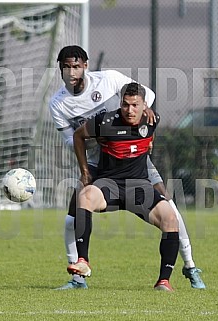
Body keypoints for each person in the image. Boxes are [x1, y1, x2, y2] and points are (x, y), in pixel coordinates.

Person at [49, 45, 205, 290]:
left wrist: (145, 110)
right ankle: (78, 275)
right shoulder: (58, 104)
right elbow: (72, 139)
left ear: (86, 66)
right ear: (59, 69)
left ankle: (190, 266)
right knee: (73, 214)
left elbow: (146, 94)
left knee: (170, 209)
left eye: (76, 66)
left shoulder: (109, 79)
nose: (71, 72)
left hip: (134, 154)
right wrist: (94, 143)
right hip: (98, 158)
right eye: (66, 67)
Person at [68, 82, 179, 291]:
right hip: (109, 184)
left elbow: (149, 138)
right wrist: (85, 172)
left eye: (135, 105)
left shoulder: (152, 119)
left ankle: (164, 281)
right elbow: (78, 136)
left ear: (145, 105)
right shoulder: (105, 121)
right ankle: (83, 261)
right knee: (85, 196)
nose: (130, 110)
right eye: (126, 105)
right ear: (120, 103)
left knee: (170, 218)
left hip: (139, 188)